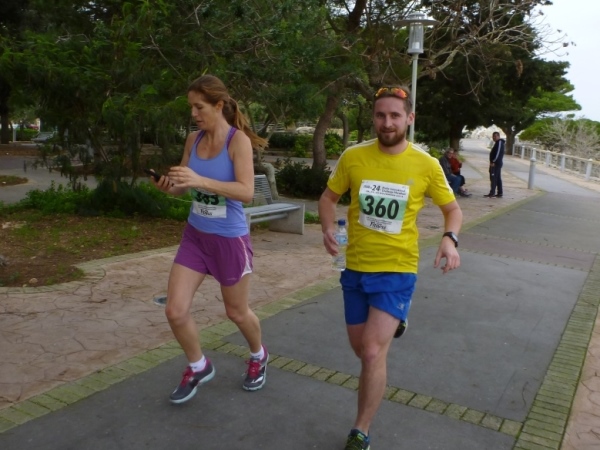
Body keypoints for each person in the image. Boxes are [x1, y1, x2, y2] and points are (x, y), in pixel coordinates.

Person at [318, 86, 463, 450]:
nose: (387, 123)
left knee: (371, 352)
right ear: (373, 118)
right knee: (362, 351)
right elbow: (328, 198)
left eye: (395, 115)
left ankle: (360, 430)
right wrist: (327, 228)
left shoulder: (426, 164)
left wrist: (450, 239)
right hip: (354, 268)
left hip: (397, 269)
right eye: (381, 115)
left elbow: (452, 209)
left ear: (409, 119)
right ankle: (395, 321)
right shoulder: (354, 157)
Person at [147, 74, 269, 404]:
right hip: (196, 237)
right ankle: (198, 365)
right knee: (175, 310)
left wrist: (201, 180)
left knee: (237, 312)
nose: (193, 114)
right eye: (191, 107)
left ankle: (258, 355)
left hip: (229, 240)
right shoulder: (193, 139)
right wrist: (168, 186)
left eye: (199, 107)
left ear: (218, 105)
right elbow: (183, 187)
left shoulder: (237, 142)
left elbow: (246, 192)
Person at [484, 131, 505, 198]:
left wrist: (493, 161)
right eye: (493, 136)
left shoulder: (499, 143)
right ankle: (499, 192)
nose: (494, 137)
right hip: (496, 163)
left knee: (493, 178)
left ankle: (492, 193)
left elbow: (498, 153)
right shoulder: (497, 143)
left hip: (496, 164)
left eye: (495, 136)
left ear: (498, 136)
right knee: (497, 178)